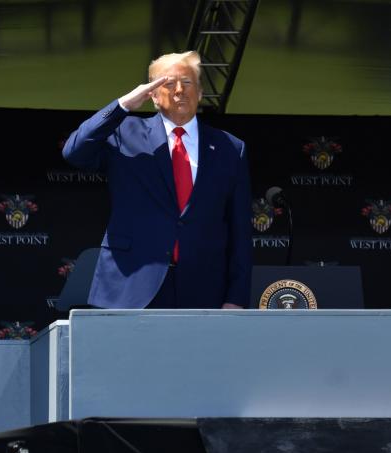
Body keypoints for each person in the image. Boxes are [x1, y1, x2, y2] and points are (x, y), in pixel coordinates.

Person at [63, 51, 252, 309]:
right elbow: (75, 151)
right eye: (168, 83)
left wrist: (236, 298)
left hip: (204, 288)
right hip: (131, 285)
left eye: (187, 83)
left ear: (200, 92)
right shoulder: (124, 132)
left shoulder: (230, 147)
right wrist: (123, 106)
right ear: (151, 93)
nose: (179, 91)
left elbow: (240, 230)